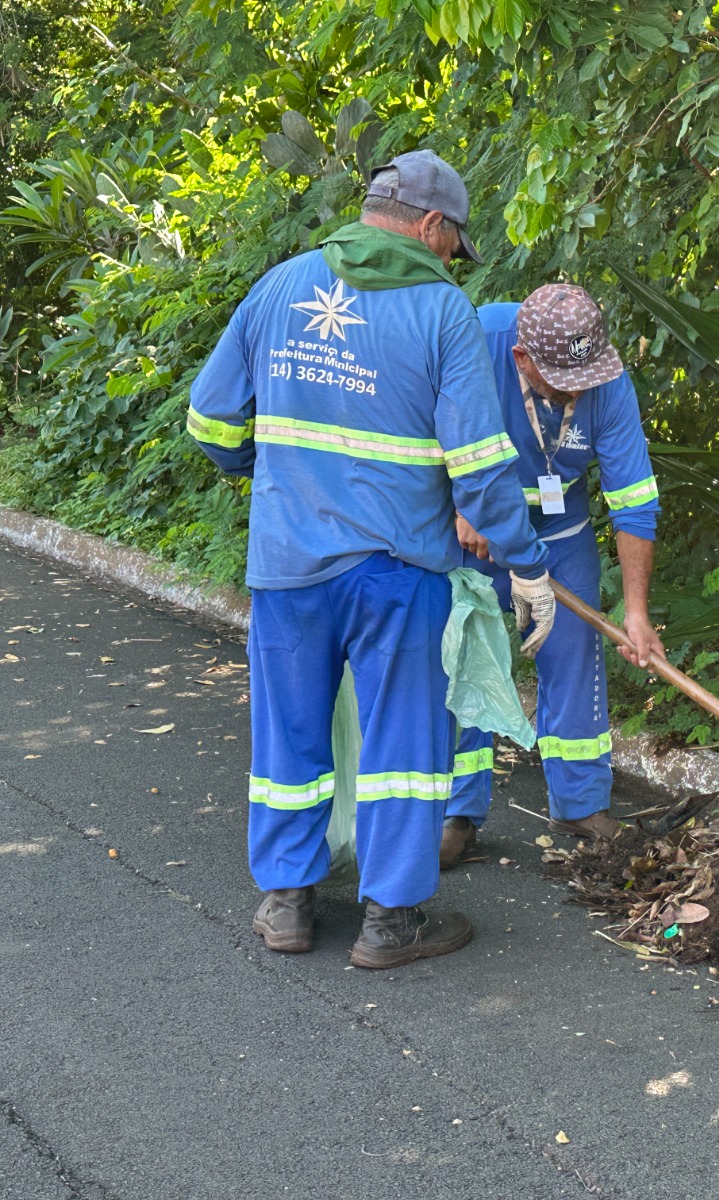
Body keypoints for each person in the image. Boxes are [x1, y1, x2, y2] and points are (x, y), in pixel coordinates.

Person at [186, 150, 557, 968]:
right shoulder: (440, 311)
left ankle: (287, 903)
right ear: (431, 226)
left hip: (288, 564)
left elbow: (212, 421)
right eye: (455, 244)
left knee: (289, 733)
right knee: (402, 746)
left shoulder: (279, 287)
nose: (452, 259)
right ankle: (392, 923)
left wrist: (279, 474)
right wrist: (527, 566)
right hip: (397, 573)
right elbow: (483, 468)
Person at [444, 284, 663, 865]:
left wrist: (636, 614)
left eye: (588, 375)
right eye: (565, 380)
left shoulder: (604, 378)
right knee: (469, 655)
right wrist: (461, 504)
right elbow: (416, 431)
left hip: (560, 526)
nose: (581, 389)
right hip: (479, 534)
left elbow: (634, 499)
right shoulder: (474, 343)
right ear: (522, 359)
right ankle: (457, 813)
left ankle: (580, 803)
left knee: (572, 654)